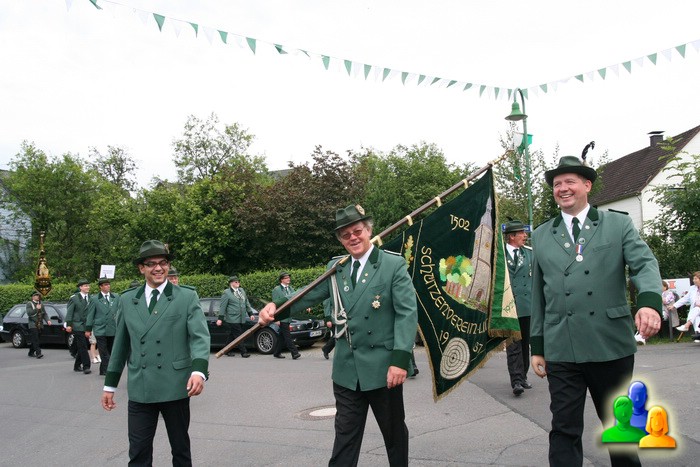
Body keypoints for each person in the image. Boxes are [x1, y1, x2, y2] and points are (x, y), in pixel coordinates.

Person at [259, 204, 418, 466]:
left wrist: (400, 360)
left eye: (357, 231)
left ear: (369, 231)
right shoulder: (337, 268)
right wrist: (275, 308)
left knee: (394, 435)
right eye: (346, 235)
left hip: (383, 370)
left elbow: (406, 314)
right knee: (345, 438)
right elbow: (307, 295)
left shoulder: (392, 264)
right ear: (341, 240)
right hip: (347, 370)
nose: (353, 238)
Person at [529, 156, 662, 467]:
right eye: (557, 184)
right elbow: (538, 295)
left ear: (587, 185)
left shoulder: (617, 224)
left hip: (609, 343)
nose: (563, 188)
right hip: (562, 346)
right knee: (563, 428)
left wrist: (649, 303)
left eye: (570, 181)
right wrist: (537, 346)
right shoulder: (541, 235)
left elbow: (644, 264)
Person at [101, 240, 210, 466]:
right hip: (141, 388)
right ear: (141, 268)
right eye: (151, 264)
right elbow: (120, 345)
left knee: (180, 450)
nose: (158, 268)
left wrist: (198, 371)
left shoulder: (186, 296)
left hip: (176, 387)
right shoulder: (127, 300)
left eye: (163, 263)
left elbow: (199, 337)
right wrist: (109, 386)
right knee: (138, 452)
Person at [502, 219, 533, 396]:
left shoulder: (529, 254)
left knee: (525, 344)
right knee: (513, 344)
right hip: (508, 307)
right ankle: (516, 380)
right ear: (512, 236)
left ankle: (523, 376)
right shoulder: (499, 255)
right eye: (522, 233)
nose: (525, 236)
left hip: (526, 306)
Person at [86, 277, 119, 376]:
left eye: (109, 284)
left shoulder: (116, 297)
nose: (108, 286)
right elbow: (90, 315)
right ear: (101, 287)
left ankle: (103, 369)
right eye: (105, 285)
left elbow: (120, 311)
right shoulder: (95, 299)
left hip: (112, 328)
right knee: (103, 351)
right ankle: (108, 370)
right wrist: (88, 329)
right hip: (100, 329)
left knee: (110, 350)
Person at [216, 275, 254, 358]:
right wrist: (220, 319)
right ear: (231, 283)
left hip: (241, 318)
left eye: (238, 281)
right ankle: (243, 352)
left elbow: (246, 302)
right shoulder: (227, 293)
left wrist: (250, 313)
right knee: (239, 335)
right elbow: (223, 306)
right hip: (232, 318)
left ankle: (226, 350)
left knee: (232, 335)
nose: (238, 283)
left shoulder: (241, 290)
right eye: (236, 282)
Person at [270, 271, 301, 360]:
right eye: (286, 278)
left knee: (282, 336)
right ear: (281, 280)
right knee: (287, 336)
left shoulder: (291, 289)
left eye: (289, 277)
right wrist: (276, 318)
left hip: (288, 316)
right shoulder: (276, 290)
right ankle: (294, 353)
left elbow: (295, 299)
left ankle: (277, 352)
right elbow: (275, 304)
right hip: (282, 316)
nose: (288, 279)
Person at [65, 278, 93, 375]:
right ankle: (86, 366)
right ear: (80, 287)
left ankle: (77, 365)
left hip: (87, 325)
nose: (87, 287)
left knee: (83, 345)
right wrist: (69, 324)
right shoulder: (74, 298)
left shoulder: (91, 298)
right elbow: (70, 312)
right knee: (83, 346)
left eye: (88, 285)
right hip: (78, 325)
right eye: (85, 286)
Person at [26, 291, 50, 359]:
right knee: (36, 339)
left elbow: (44, 313)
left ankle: (31, 352)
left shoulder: (41, 303)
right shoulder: (29, 304)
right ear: (33, 297)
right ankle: (38, 353)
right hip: (33, 324)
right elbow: (29, 313)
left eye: (38, 295)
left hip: (40, 324)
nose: (38, 297)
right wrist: (36, 309)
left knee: (36, 339)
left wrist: (48, 320)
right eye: (36, 295)